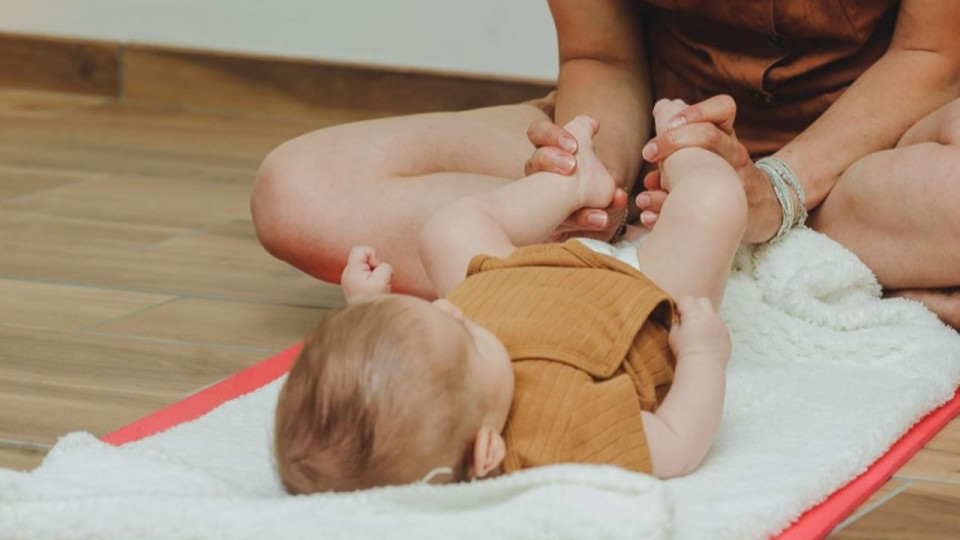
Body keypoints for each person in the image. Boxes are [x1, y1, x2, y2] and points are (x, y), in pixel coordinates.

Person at [250, 0, 960, 329]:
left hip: (867, 154)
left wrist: (776, 191)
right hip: (658, 142)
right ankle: (724, 258)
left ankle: (702, 255)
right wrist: (591, 177)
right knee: (299, 190)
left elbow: (931, 56)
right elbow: (602, 56)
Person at [274, 102, 744, 492]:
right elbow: (678, 442)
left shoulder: (450, 353)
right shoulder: (565, 433)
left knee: (448, 229)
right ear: (487, 450)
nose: (450, 308)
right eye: (468, 337)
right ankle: (682, 149)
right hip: (639, 291)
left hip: (510, 275)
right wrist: (701, 354)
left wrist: (371, 308)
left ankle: (573, 183)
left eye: (437, 314)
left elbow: (392, 359)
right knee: (714, 200)